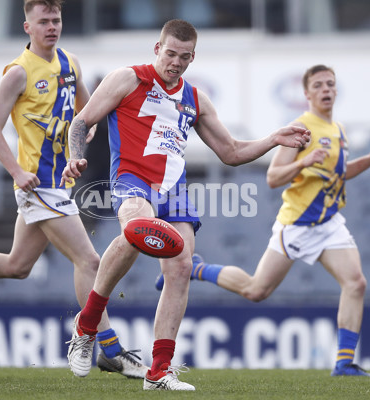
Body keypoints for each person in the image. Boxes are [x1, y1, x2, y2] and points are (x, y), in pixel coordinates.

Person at [61, 19, 310, 391]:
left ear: (193, 57)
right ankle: (87, 325)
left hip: (174, 191)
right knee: (136, 227)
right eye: (170, 53)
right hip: (132, 179)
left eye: (184, 57)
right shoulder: (128, 79)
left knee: (179, 267)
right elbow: (80, 123)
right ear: (157, 48)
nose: (175, 62)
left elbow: (231, 152)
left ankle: (159, 371)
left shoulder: (195, 99)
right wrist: (75, 157)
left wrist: (274, 138)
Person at [0, 0, 148, 379]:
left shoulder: (70, 63)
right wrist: (17, 172)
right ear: (27, 27)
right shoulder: (18, 73)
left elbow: (86, 116)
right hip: (38, 186)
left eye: (56, 19)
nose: (51, 27)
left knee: (17, 265)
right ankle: (108, 347)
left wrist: (77, 149)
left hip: (60, 183)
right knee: (89, 261)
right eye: (43, 21)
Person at [156, 64, 370, 378]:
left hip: (329, 222)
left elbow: (341, 173)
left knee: (356, 283)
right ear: (307, 93)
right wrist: (305, 160)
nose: (325, 89)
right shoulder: (301, 128)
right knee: (256, 290)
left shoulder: (339, 131)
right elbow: (272, 177)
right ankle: (198, 268)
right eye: (319, 85)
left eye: (330, 84)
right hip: (297, 223)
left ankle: (344, 363)